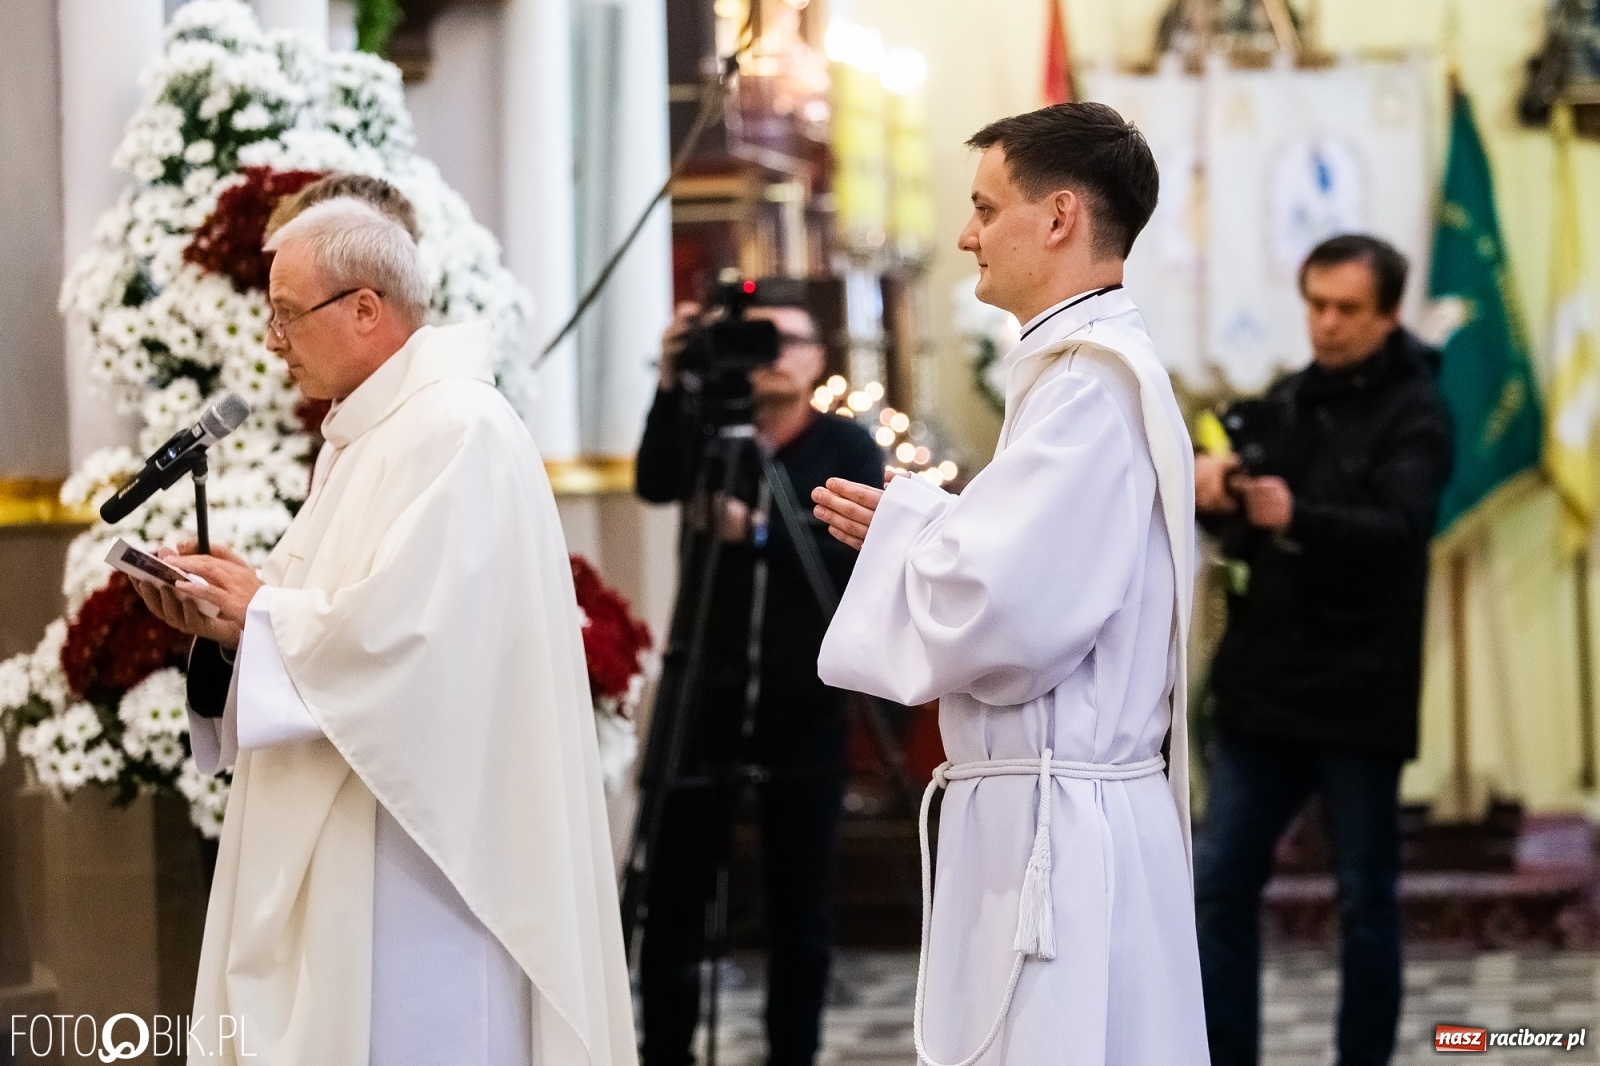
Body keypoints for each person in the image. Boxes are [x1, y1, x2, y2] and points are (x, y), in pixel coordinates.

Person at [134, 197, 637, 1066]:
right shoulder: (366, 436)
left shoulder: (457, 428)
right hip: (350, 823)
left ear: (365, 309)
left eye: (286, 314)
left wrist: (260, 612)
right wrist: (224, 623)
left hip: (417, 856)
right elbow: (339, 610)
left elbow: (420, 648)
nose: (272, 341)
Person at [811, 102, 1207, 1066]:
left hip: (1058, 832)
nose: (965, 234)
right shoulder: (1079, 376)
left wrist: (915, 541)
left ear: (1060, 215)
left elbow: (1011, 617)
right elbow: (1040, 571)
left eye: (987, 207)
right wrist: (929, 530)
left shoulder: (1085, 388)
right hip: (1051, 814)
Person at [1191, 234, 1452, 1066]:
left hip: (1359, 694)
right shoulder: (1289, 396)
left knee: (1364, 903)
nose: (1327, 324)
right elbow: (1246, 523)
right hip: (1265, 688)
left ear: (1387, 315)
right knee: (1219, 891)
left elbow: (1400, 532)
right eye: (1315, 304)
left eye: (1346, 309)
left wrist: (1294, 515)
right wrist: (1218, 491)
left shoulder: (1419, 410)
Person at [633, 291, 883, 1066]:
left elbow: (856, 557)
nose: (769, 353)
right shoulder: (710, 433)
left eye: (787, 340)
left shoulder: (844, 445)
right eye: (755, 339)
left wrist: (765, 531)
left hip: (802, 700)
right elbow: (654, 480)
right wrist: (674, 381)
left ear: (817, 360)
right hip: (701, 692)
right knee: (671, 898)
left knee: (798, 911)